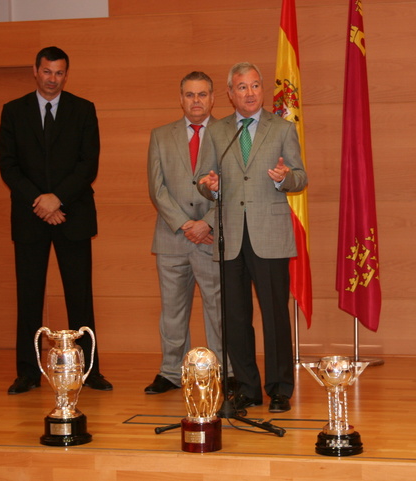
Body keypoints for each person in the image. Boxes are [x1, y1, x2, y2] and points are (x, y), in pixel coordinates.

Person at [0, 46, 112, 394]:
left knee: (80, 297)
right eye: (47, 72)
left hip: (72, 215)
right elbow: (8, 165)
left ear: (66, 74)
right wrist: (41, 201)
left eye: (59, 73)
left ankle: (89, 370)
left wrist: (57, 198)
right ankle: (28, 372)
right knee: (29, 297)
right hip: (30, 216)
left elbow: (87, 164)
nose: (53, 79)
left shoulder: (83, 110)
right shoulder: (14, 111)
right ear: (36, 71)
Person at [198, 62, 308, 413]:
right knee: (235, 316)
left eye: (255, 86)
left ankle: (279, 389)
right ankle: (247, 387)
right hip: (229, 237)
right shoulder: (218, 132)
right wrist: (209, 187)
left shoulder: (281, 128)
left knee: (275, 313)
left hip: (269, 235)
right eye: (242, 87)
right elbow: (204, 179)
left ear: (263, 90)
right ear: (230, 94)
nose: (250, 93)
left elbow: (300, 177)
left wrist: (284, 178)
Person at [144, 71, 225, 394]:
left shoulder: (227, 132)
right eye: (190, 95)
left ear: (213, 98)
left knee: (218, 310)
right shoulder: (161, 135)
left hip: (212, 236)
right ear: (181, 99)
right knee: (173, 310)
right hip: (172, 237)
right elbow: (156, 188)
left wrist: (206, 222)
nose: (196, 101)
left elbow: (234, 185)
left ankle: (223, 370)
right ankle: (171, 372)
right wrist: (185, 224)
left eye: (202, 94)